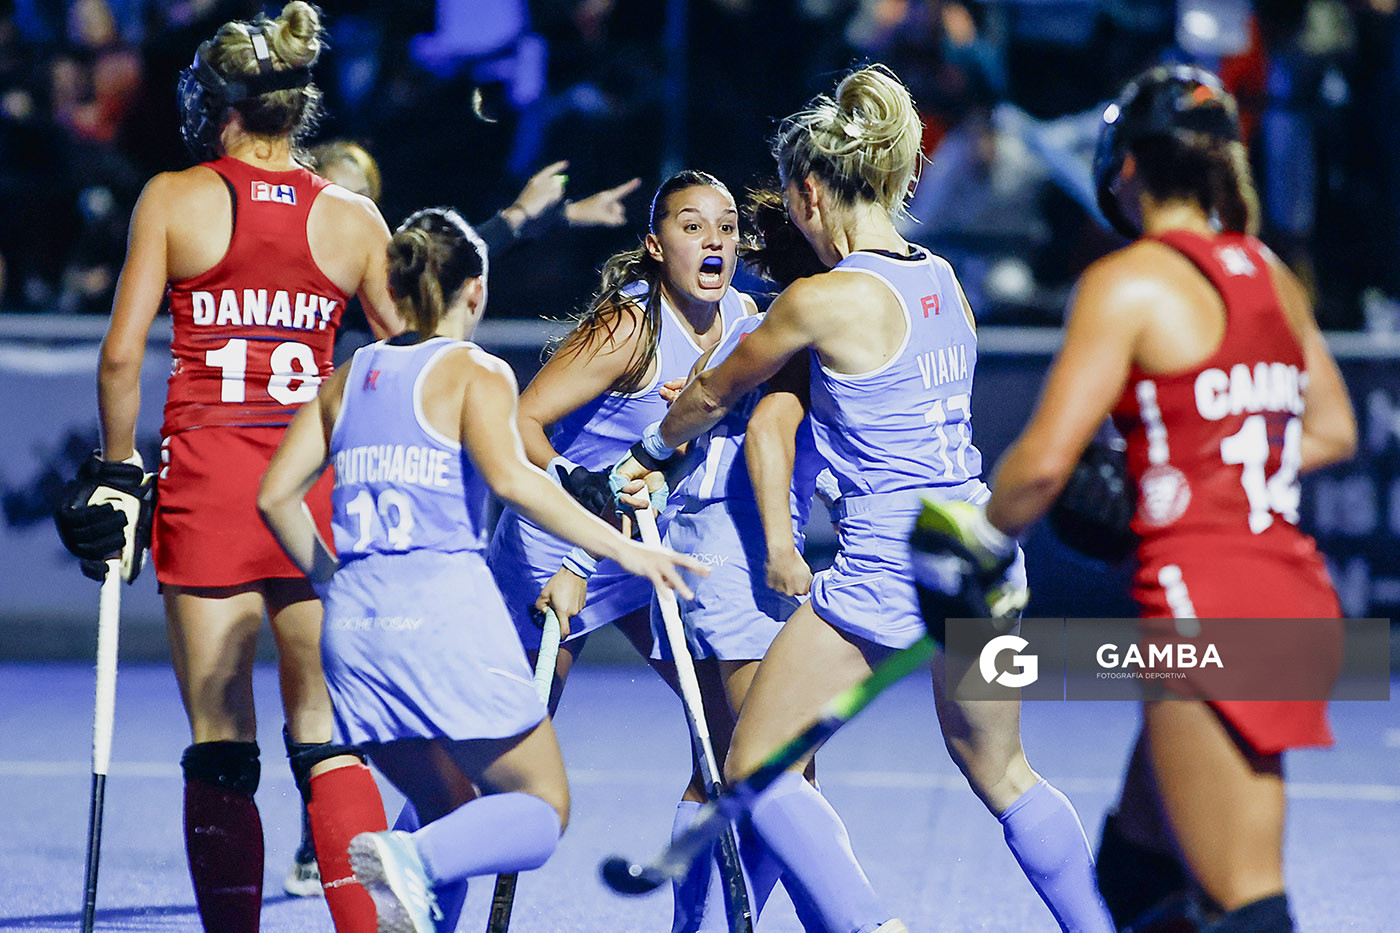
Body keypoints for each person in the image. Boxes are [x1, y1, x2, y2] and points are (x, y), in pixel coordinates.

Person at [641, 64, 1114, 933]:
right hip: (982, 553)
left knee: (756, 766)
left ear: (812, 191)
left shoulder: (822, 300)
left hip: (894, 563)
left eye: (792, 206)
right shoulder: (948, 282)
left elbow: (709, 394)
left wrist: (648, 450)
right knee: (1004, 770)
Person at [946, 65, 1355, 933]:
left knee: (1245, 903)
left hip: (1207, 606)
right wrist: (1197, 467)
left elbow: (1043, 465)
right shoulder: (1270, 272)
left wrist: (966, 543)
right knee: (1138, 876)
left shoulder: (1130, 280)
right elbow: (1334, 428)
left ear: (1125, 166)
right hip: (1287, 596)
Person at [51, 5, 403, 931]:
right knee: (325, 735)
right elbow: (407, 360)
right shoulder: (355, 218)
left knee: (220, 743)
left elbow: (120, 357)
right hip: (312, 494)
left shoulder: (174, 198)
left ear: (220, 105)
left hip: (209, 493)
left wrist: (118, 470)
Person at [258, 206, 704, 933]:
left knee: (448, 806)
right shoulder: (475, 370)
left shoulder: (348, 376)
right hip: (440, 623)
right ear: (476, 290)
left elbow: (275, 496)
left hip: (354, 631)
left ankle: (416, 867)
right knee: (539, 808)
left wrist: (336, 583)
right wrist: (624, 548)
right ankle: (410, 856)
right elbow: (514, 480)